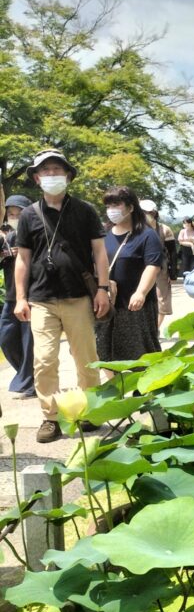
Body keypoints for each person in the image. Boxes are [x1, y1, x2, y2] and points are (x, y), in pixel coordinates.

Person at [14, 149, 111, 443]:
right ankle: (50, 417)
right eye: (46, 171)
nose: (52, 175)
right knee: (44, 360)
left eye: (58, 170)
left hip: (78, 297)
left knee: (86, 358)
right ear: (36, 177)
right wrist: (20, 297)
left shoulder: (85, 211)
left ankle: (90, 411)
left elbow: (99, 252)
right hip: (41, 298)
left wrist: (103, 289)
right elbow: (23, 259)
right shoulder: (29, 215)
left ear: (68, 175)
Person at [94, 186, 164, 368]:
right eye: (108, 205)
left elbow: (152, 266)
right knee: (103, 349)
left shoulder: (147, 235)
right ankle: (115, 390)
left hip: (134, 305)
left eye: (116, 204)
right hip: (107, 303)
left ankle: (145, 392)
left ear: (131, 207)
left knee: (139, 351)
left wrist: (141, 292)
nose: (111, 210)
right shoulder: (103, 234)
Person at [0, 194, 35, 397]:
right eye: (11, 214)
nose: (14, 217)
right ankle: (27, 376)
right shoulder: (8, 237)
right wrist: (6, 254)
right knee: (7, 338)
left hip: (33, 296)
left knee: (29, 342)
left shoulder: (35, 233)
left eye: (18, 214)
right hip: (12, 298)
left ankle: (29, 381)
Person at [140, 199, 174, 325]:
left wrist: (173, 273)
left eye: (149, 212)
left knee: (162, 299)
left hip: (161, 268)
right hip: (141, 268)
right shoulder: (137, 230)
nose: (147, 215)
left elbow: (172, 252)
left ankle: (155, 328)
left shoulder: (165, 229)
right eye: (143, 212)